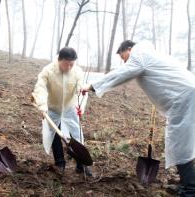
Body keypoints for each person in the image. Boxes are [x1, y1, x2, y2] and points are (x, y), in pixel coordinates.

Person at [83, 40, 195, 196]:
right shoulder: (149, 54)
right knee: (180, 143)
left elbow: (122, 72)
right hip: (185, 96)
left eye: (124, 57)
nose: (125, 61)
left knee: (180, 145)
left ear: (129, 48)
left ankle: (190, 190)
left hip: (184, 98)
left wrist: (93, 85)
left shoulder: (139, 54)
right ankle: (186, 185)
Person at [32, 47, 92, 176]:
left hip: (70, 108)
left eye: (72, 64)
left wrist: (80, 98)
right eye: (67, 64)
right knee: (54, 134)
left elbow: (82, 87)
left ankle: (81, 164)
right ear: (59, 59)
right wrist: (42, 105)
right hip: (53, 108)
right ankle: (60, 163)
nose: (70, 67)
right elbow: (40, 88)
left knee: (77, 134)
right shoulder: (48, 71)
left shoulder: (77, 71)